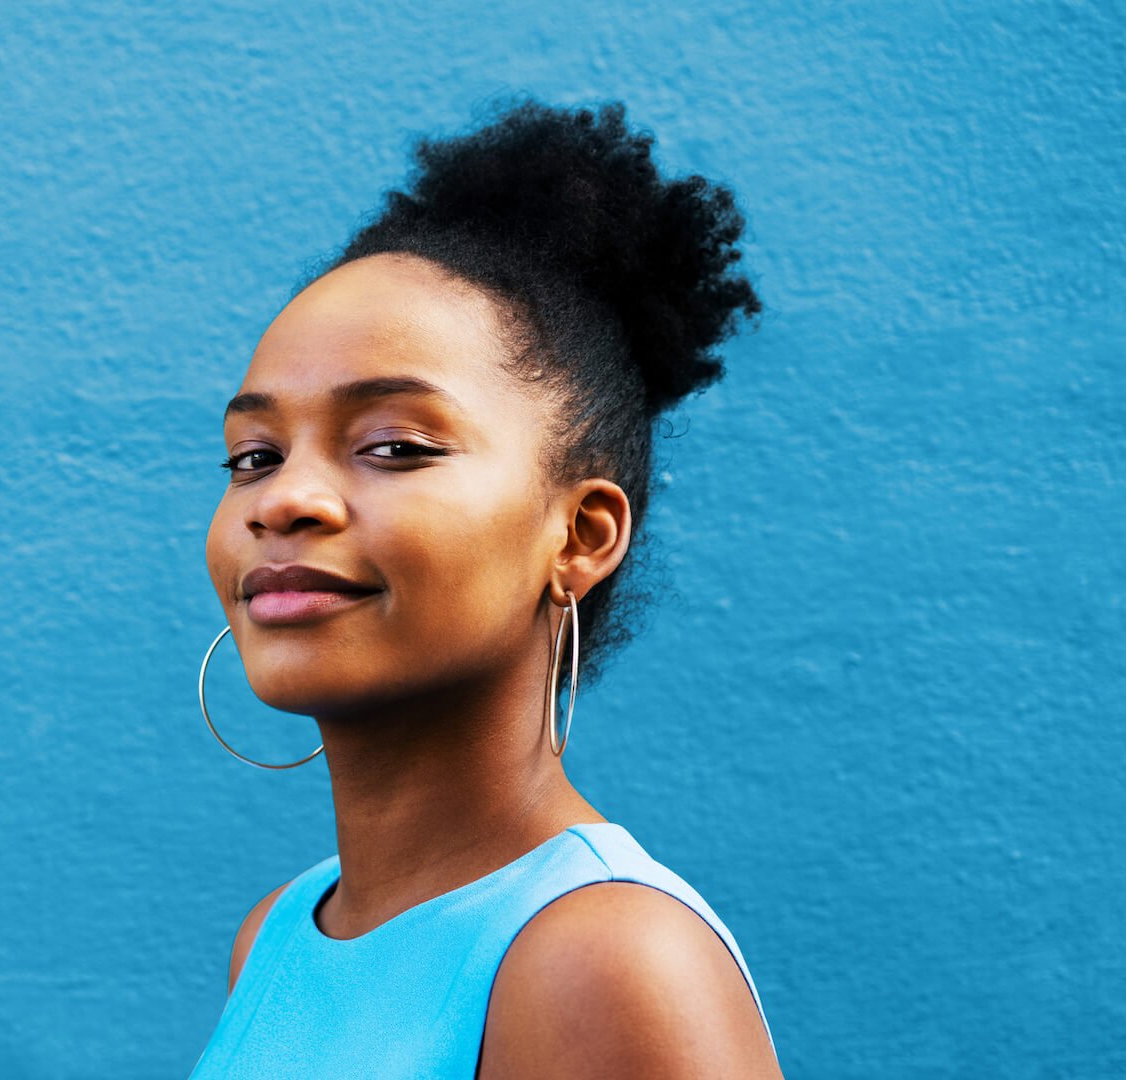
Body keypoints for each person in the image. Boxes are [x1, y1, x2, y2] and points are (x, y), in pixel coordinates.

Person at [187, 95, 784, 1078]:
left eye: (395, 446)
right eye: (252, 458)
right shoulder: (279, 937)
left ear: (579, 535)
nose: (284, 499)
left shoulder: (607, 961)